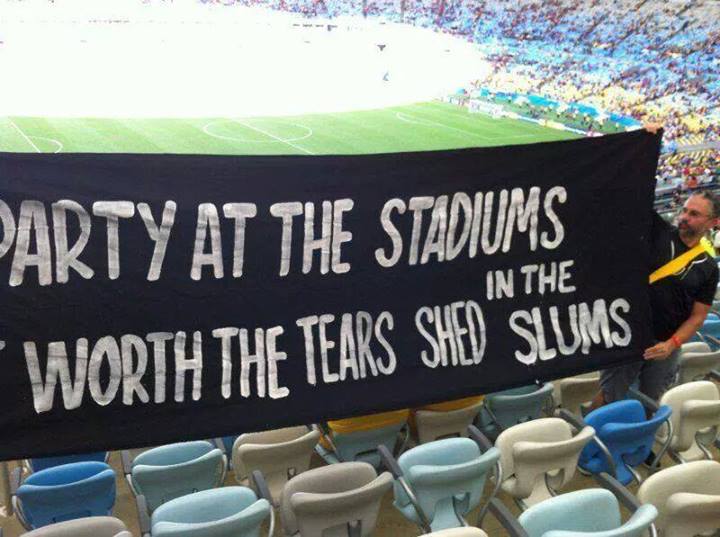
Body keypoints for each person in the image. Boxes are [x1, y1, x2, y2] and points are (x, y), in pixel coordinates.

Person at [591, 126, 720, 410]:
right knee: (607, 396)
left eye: (694, 214)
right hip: (628, 335)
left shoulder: (709, 266)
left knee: (652, 401)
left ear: (713, 223)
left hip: (665, 347)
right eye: (685, 210)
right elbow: (630, 194)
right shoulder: (659, 232)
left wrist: (672, 344)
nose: (684, 217)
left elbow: (698, 317)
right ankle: (588, 445)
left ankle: (636, 445)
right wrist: (643, 143)